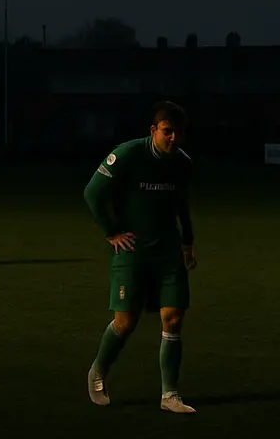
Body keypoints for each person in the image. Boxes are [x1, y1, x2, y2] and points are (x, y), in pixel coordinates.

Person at [82, 101, 198, 415]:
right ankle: (97, 372)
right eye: (167, 131)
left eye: (178, 133)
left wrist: (188, 242)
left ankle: (169, 395)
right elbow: (92, 192)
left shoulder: (183, 163)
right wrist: (111, 231)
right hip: (131, 251)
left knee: (173, 318)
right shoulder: (129, 154)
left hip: (168, 251)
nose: (173, 138)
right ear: (153, 130)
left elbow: (181, 205)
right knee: (125, 321)